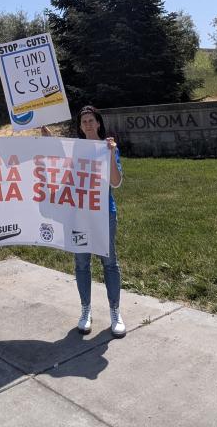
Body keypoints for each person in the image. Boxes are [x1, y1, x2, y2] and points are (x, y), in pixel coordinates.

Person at [72, 105, 126, 338]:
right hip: (78, 215)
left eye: (91, 120)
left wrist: (112, 154)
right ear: (80, 126)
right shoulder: (74, 149)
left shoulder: (108, 147)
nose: (87, 124)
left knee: (109, 262)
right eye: (83, 121)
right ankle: (86, 310)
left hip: (104, 213)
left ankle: (115, 311)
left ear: (99, 123)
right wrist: (48, 141)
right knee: (82, 263)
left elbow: (115, 182)